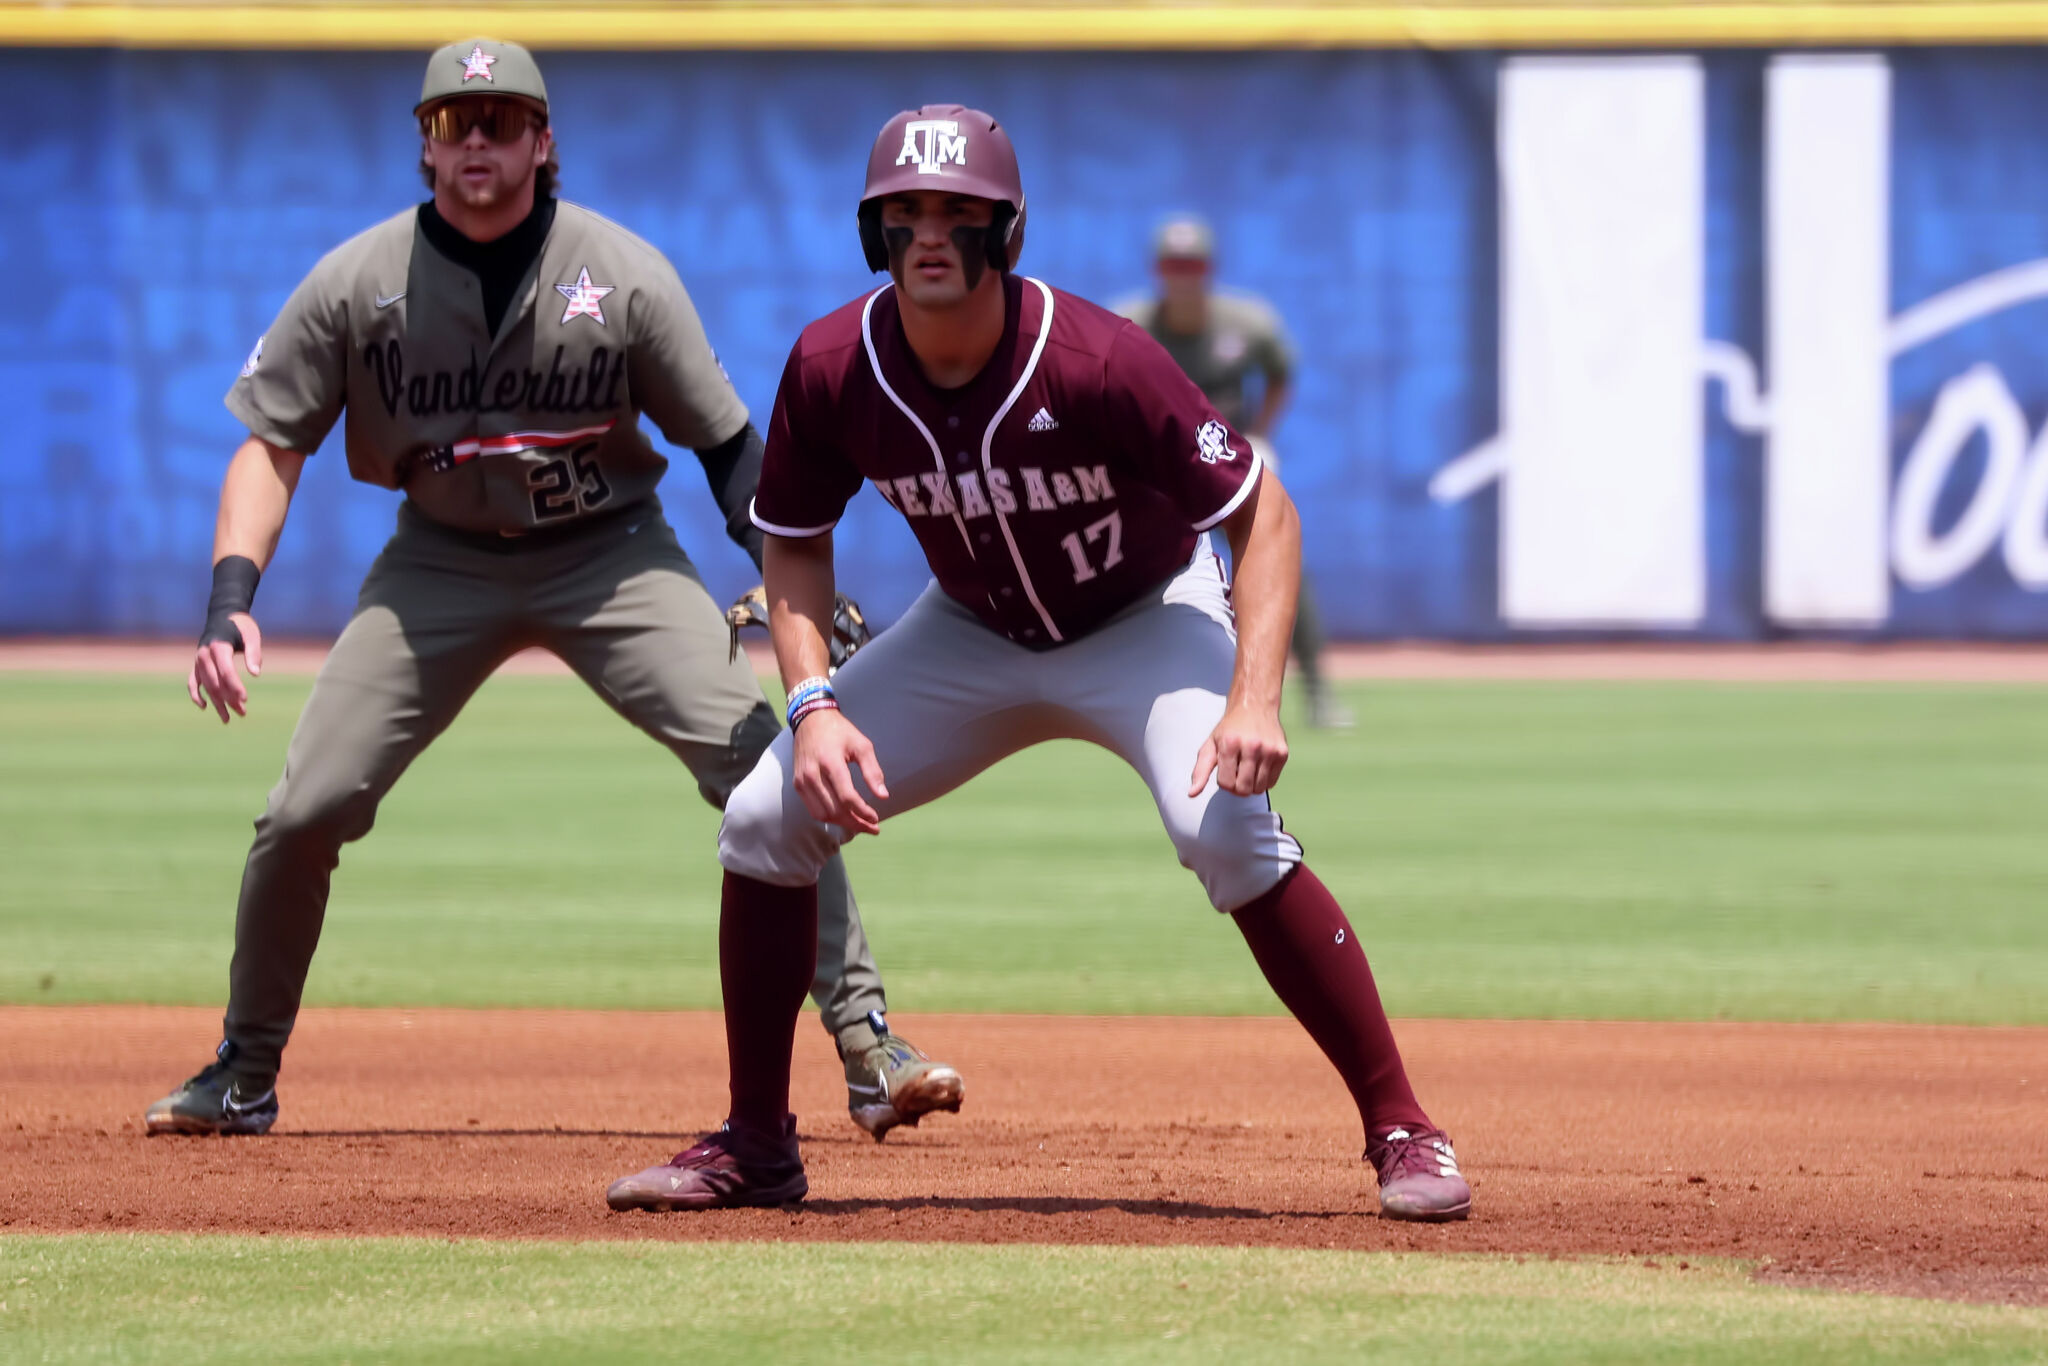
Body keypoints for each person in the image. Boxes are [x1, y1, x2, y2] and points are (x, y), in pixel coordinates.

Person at [605, 105, 1469, 1221]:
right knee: (766, 815)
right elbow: (793, 541)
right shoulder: (832, 363)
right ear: (873, 233)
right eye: (903, 213)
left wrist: (1253, 697)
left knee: (1223, 830)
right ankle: (758, 1145)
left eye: (955, 213)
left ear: (1005, 231)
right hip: (970, 629)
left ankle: (1402, 1124)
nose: (926, 234)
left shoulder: (1097, 357)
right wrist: (812, 703)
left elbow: (1262, 514)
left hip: (1143, 618)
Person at [145, 40, 961, 1145]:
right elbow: (270, 445)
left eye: (499, 117)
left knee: (758, 763)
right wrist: (229, 597)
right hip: (437, 558)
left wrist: (790, 586)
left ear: (543, 141)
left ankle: (868, 1045)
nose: (474, 138)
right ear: (425, 145)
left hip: (609, 551)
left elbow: (727, 449)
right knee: (304, 809)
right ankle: (243, 1069)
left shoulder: (620, 273)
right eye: (453, 120)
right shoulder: (357, 282)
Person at [1115, 218, 1351, 729]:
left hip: (1226, 459)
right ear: (1159, 271)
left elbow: (1280, 372)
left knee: (1274, 560)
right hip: (1157, 471)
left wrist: (1260, 431)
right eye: (1174, 266)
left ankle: (1316, 690)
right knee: (1127, 568)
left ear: (1208, 269)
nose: (1183, 277)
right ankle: (1130, 691)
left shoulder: (1243, 323)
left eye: (1193, 265)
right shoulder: (1132, 325)